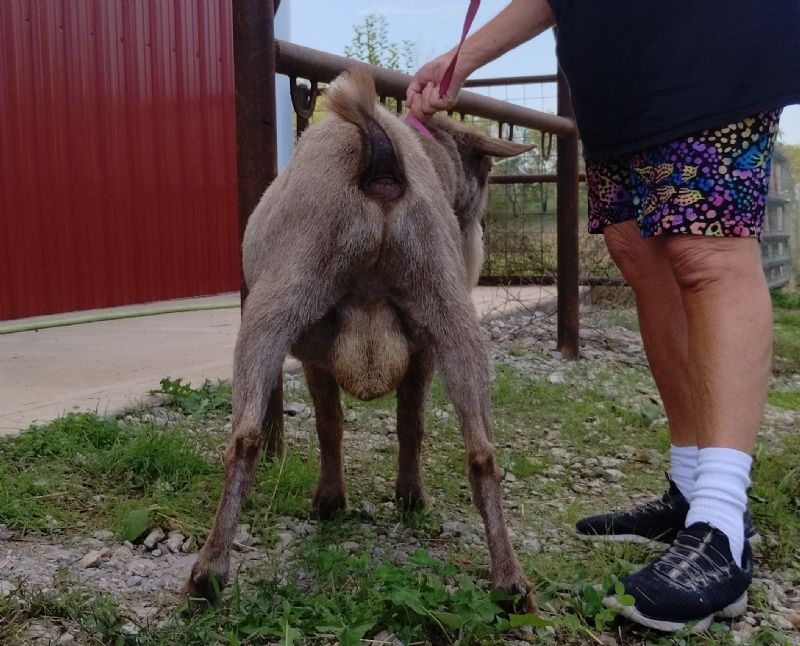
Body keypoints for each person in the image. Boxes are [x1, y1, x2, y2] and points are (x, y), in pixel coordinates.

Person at [405, 0, 800, 633]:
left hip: (713, 35)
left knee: (706, 247)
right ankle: (691, 484)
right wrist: (463, 59)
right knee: (639, 252)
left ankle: (723, 525)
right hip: (614, 69)